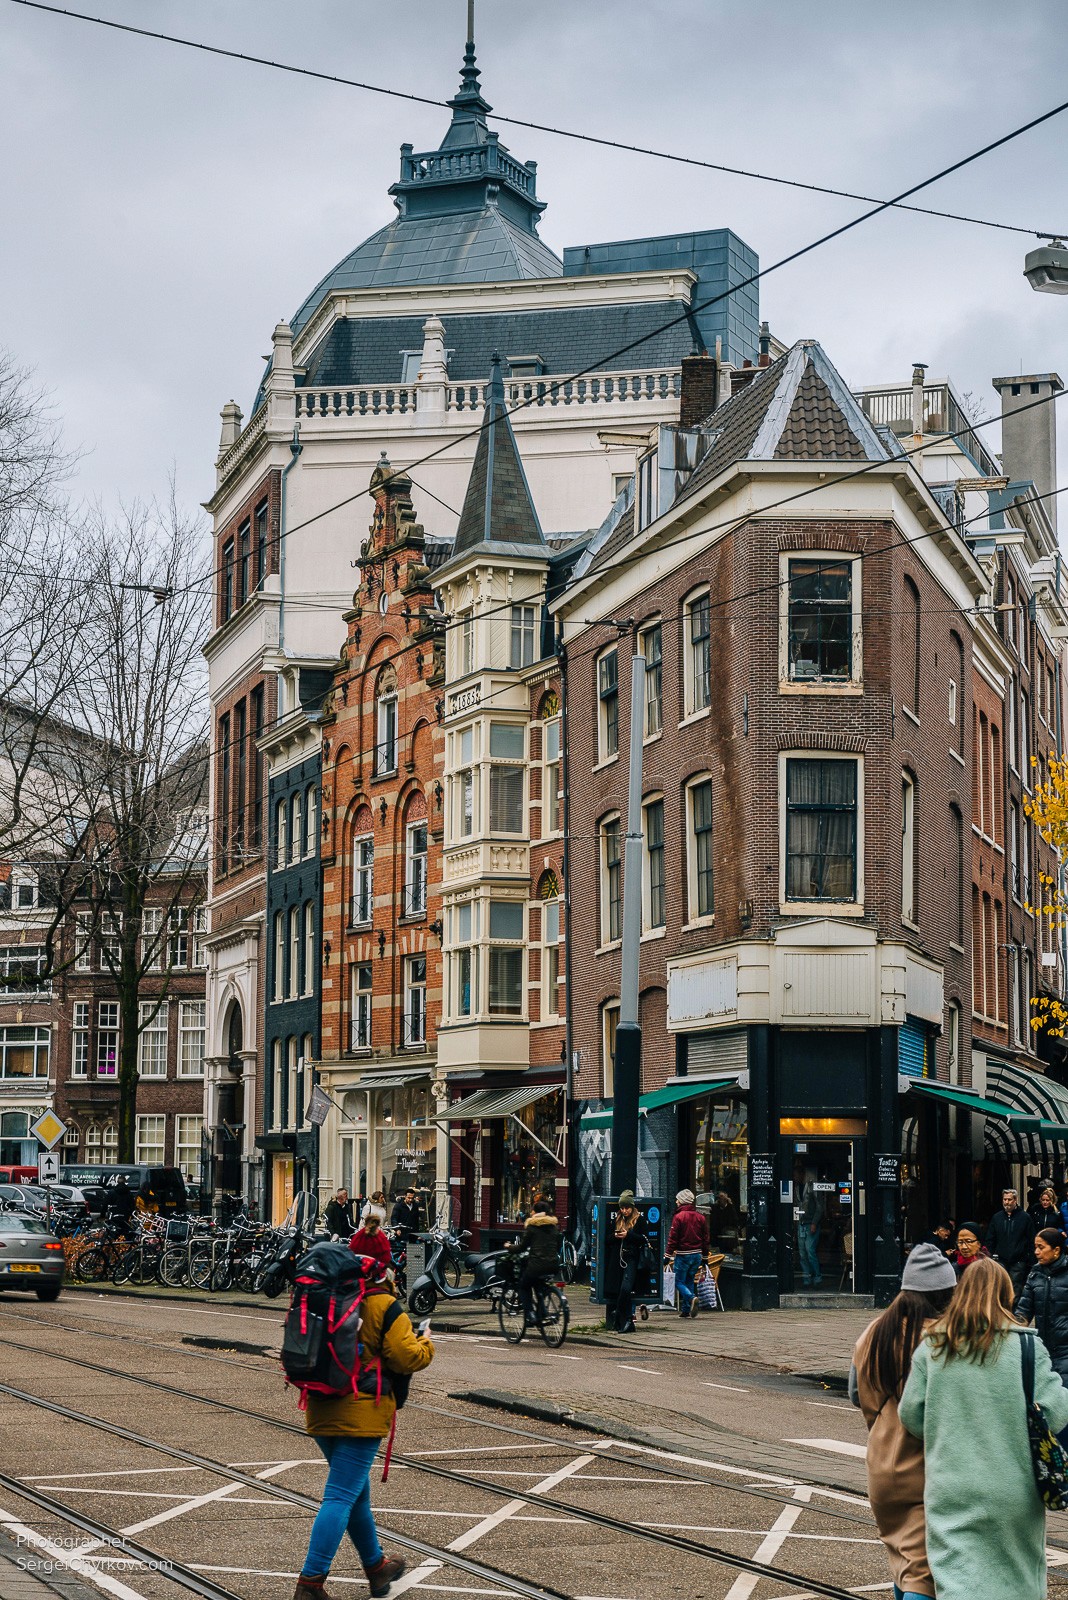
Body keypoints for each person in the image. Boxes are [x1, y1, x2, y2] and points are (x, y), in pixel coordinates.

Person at [899, 1257, 1068, 1600]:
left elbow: (911, 1415)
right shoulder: (1027, 1347)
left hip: (952, 1486)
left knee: (958, 1577)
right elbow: (1056, 1413)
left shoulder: (933, 1345)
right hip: (1014, 1489)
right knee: (1018, 1579)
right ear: (1007, 1295)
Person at [293, 1255, 433, 1600]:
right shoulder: (385, 1305)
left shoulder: (326, 1297)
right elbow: (405, 1357)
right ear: (385, 1277)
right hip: (362, 1412)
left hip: (321, 1406)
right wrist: (426, 1342)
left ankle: (376, 1567)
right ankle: (311, 1582)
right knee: (340, 1496)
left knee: (355, 1493)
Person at [849, 1243, 957, 1600]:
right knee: (923, 1576)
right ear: (945, 1294)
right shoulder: (941, 1339)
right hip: (923, 1469)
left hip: (882, 1465)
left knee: (905, 1562)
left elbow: (855, 1393)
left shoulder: (875, 1331)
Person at [1015, 1226, 1068, 1402]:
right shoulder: (1035, 1274)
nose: (1036, 1252)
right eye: (1035, 1247)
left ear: (1056, 1250)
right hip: (1043, 1349)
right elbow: (1023, 1311)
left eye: (1041, 1247)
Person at [511, 1199, 561, 1323]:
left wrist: (509, 1247)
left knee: (524, 1286)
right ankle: (542, 1312)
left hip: (536, 1266)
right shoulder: (554, 1227)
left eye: (533, 1210)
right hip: (554, 1265)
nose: (531, 1212)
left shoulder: (532, 1227)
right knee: (539, 1285)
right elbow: (558, 1245)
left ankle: (530, 1314)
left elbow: (522, 1247)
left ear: (536, 1212)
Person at [667, 1189, 711, 1320]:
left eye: (678, 1199)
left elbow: (673, 1238)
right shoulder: (700, 1217)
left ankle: (691, 1298)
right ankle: (686, 1310)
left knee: (678, 1281)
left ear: (682, 1201)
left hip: (683, 1254)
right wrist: (705, 1257)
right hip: (697, 1255)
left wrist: (667, 1255)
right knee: (689, 1280)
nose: (676, 1202)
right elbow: (705, 1238)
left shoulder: (679, 1217)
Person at [985, 1188, 1036, 1295]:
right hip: (1000, 1259)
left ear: (1015, 1200)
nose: (1006, 1202)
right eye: (1005, 1199)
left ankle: (1014, 1306)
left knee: (1015, 1289)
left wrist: (1029, 1258)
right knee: (1000, 1287)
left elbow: (1031, 1239)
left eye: (1009, 1199)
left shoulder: (1025, 1218)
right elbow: (990, 1238)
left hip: (1019, 1260)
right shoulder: (997, 1217)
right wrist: (990, 1255)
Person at [612, 1190, 648, 1335]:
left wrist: (628, 1235)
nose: (624, 1211)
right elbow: (607, 1238)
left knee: (626, 1289)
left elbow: (643, 1239)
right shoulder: (618, 1219)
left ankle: (619, 1315)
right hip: (619, 1259)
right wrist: (615, 1236)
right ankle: (627, 1320)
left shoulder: (639, 1220)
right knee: (621, 1290)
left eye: (627, 1208)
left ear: (632, 1207)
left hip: (633, 1258)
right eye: (622, 1208)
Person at [795, 1166, 826, 1289]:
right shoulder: (796, 1188)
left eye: (796, 1175)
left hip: (810, 1224)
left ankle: (817, 1278)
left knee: (810, 1251)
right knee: (802, 1253)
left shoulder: (812, 1187)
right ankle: (807, 1279)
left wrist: (814, 1222)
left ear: (802, 1174)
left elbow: (820, 1206)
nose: (794, 1178)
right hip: (801, 1223)